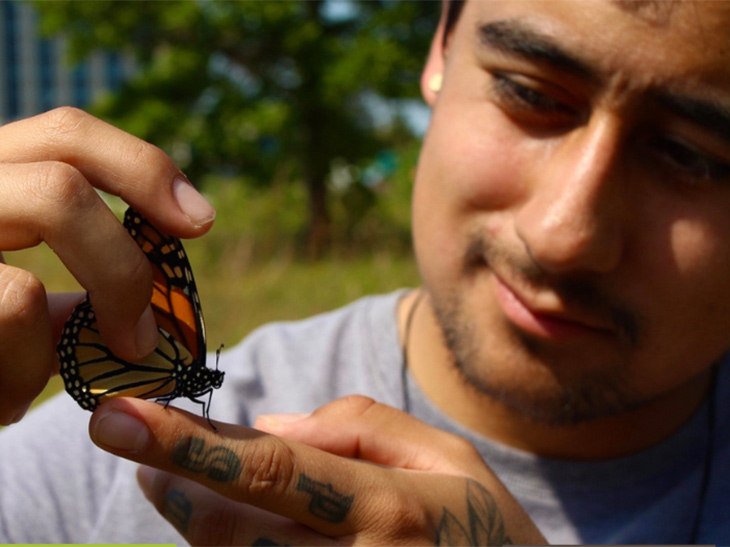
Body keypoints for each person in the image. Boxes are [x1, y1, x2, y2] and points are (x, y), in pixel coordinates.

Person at [1, 0, 729, 543]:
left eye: (691, 154)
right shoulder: (71, 477)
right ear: (440, 48)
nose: (565, 235)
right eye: (530, 92)